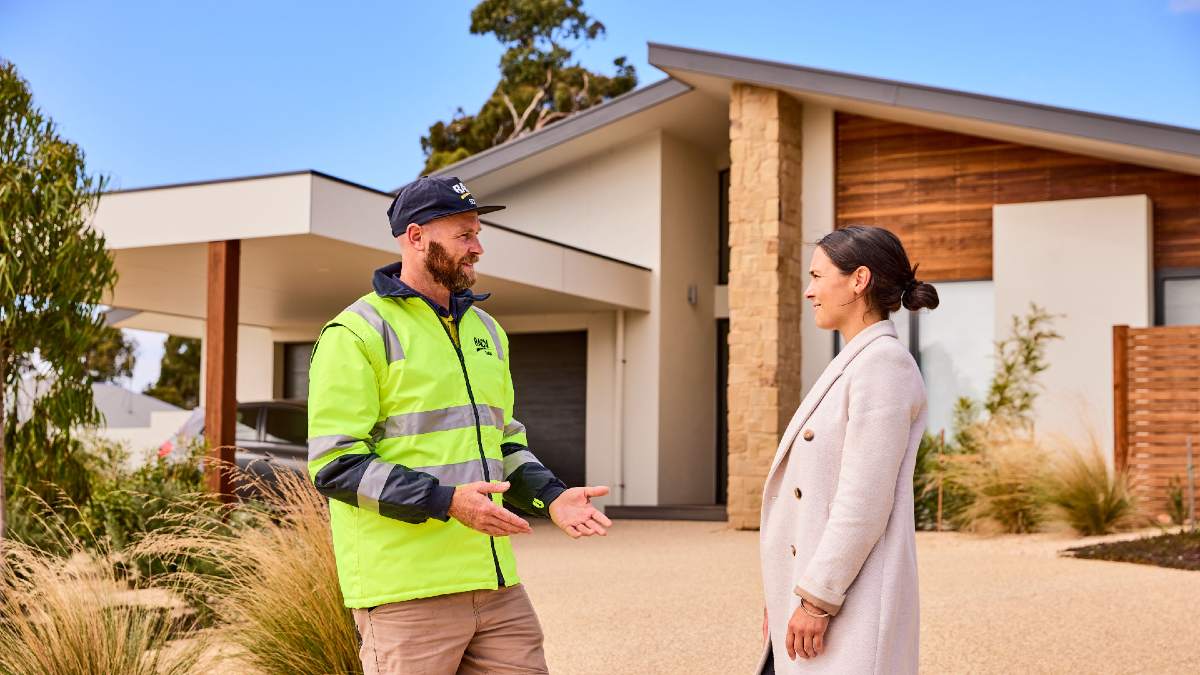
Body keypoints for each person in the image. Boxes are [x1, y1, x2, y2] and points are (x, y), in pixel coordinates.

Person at [307, 175, 613, 674]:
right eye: (464, 235)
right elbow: (335, 465)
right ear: (416, 236)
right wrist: (448, 502)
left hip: (494, 585)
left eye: (477, 233)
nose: (478, 248)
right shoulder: (356, 332)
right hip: (406, 593)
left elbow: (505, 442)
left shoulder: (487, 330)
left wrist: (551, 496)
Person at [757, 225, 939, 674]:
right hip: (816, 597)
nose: (808, 291)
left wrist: (817, 600)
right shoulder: (855, 363)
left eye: (818, 276)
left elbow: (864, 499)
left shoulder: (883, 365)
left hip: (843, 606)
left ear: (859, 280)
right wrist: (785, 595)